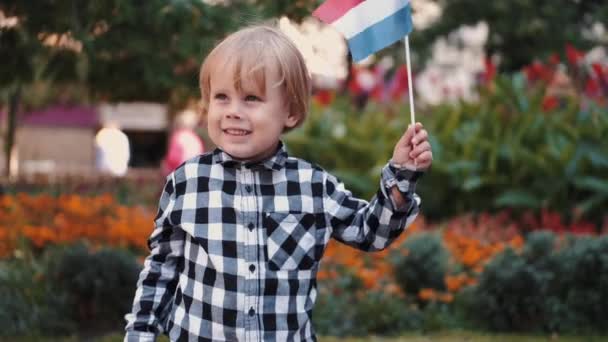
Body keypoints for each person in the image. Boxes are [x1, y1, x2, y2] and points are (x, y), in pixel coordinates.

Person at [124, 24, 432, 342]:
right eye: (222, 97)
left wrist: (401, 176)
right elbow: (161, 270)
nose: (233, 112)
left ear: (290, 112)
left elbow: (371, 232)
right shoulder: (187, 183)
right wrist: (140, 334)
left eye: (252, 98)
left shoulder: (313, 186)